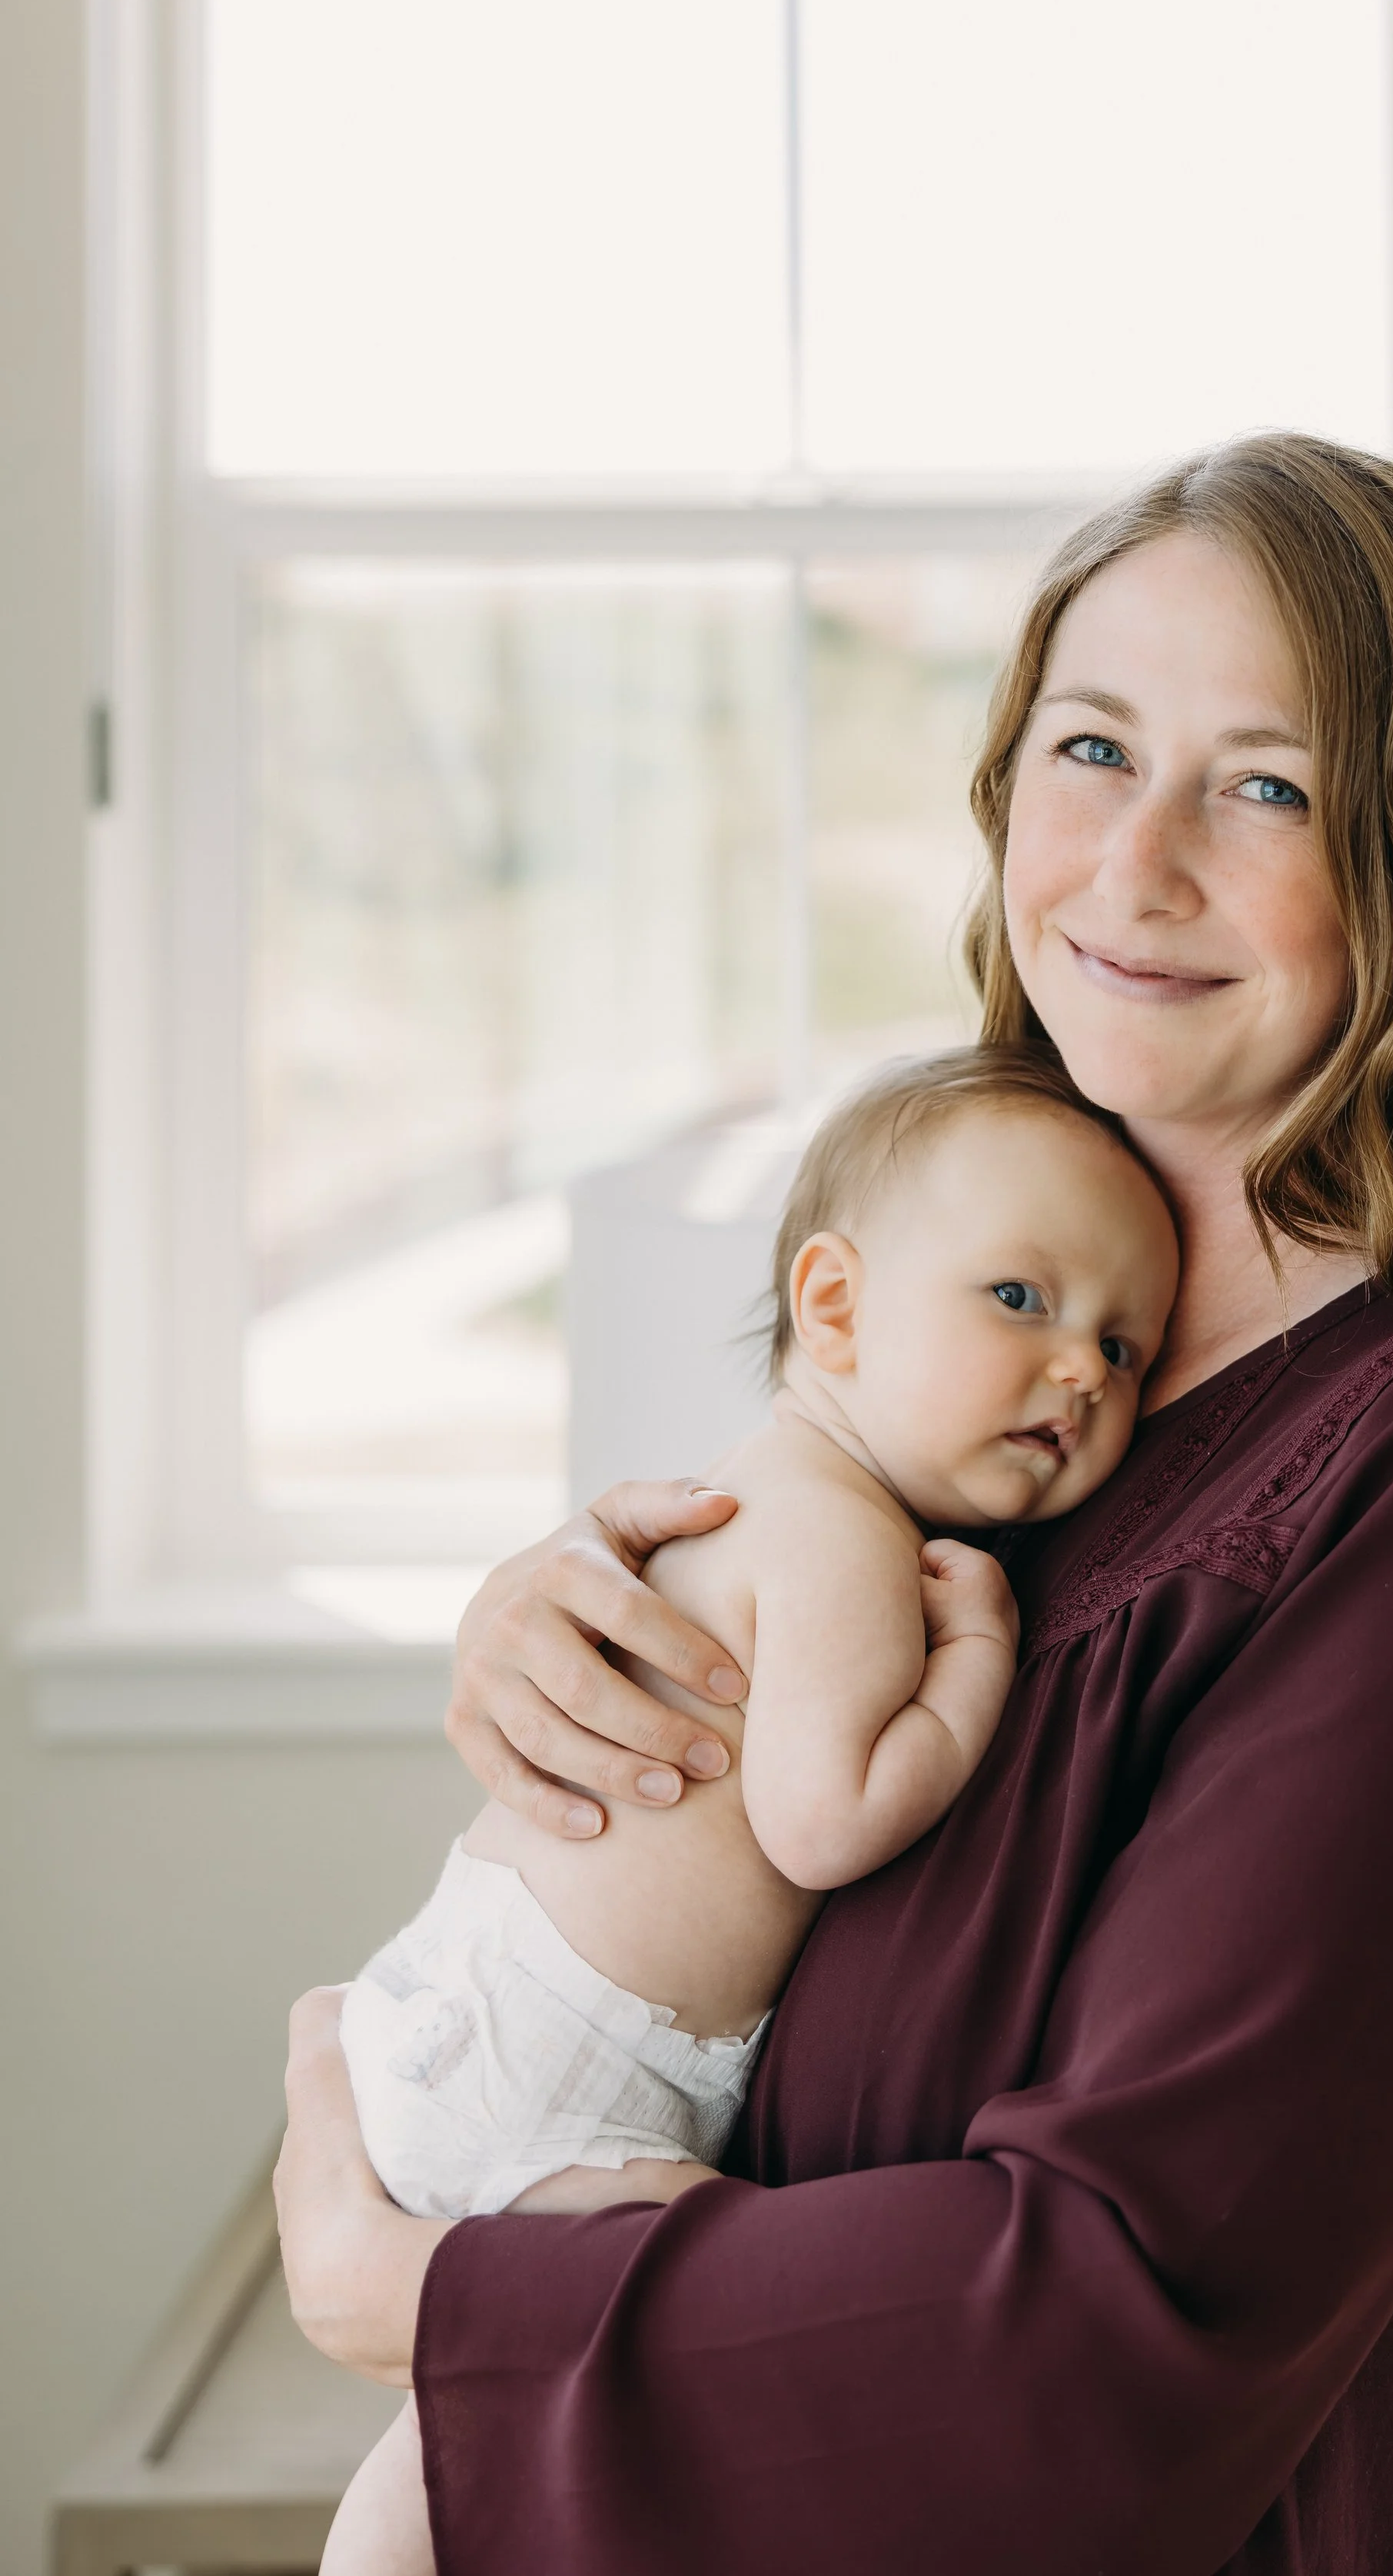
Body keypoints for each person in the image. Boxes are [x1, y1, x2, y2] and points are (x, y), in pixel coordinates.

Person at [275, 434, 1393, 2576]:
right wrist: (574, 1618)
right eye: (1089, 746)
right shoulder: (983, 1356)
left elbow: (1131, 2305)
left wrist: (431, 2301)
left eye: (1266, 784)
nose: (1131, 863)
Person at [318, 1047, 1178, 2574]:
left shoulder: (745, 1481)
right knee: (689, 2339)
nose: (1080, 1373)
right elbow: (824, 1818)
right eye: (1019, 1301)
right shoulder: (844, 1539)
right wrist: (975, 1660)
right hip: (568, 2076)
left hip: (470, 1999)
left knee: (457, 2440)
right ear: (834, 1302)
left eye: (1124, 1346)